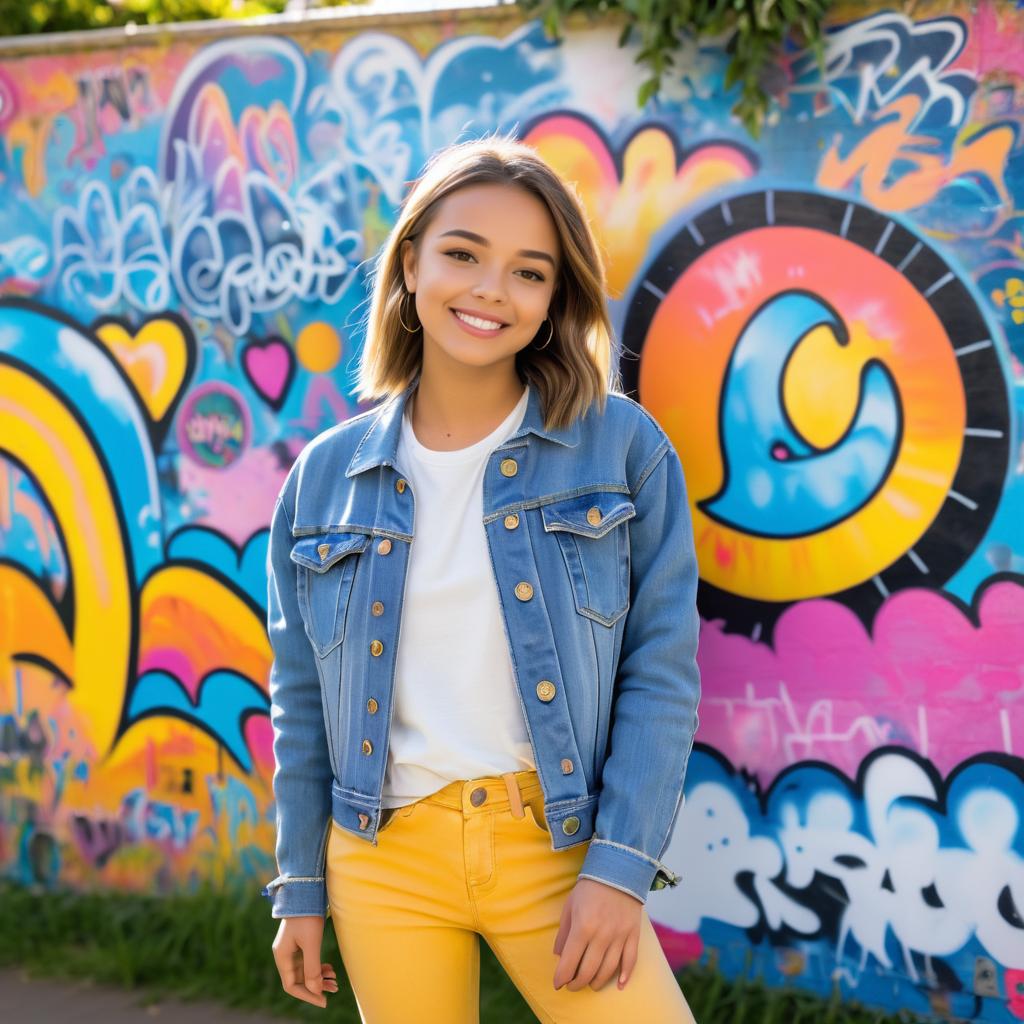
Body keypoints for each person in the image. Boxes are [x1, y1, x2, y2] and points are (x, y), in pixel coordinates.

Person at [261, 134, 701, 1023]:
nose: (492, 290)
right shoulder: (323, 476)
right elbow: (301, 698)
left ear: (553, 300)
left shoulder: (621, 449)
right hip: (382, 858)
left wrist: (620, 866)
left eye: (529, 272)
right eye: (463, 254)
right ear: (411, 261)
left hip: (555, 843)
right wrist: (300, 882)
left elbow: (663, 669)